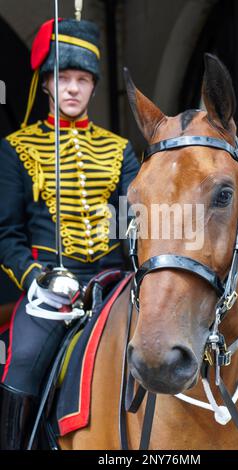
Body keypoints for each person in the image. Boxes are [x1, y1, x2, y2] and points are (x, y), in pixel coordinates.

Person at [0, 16, 139, 449]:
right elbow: (6, 235)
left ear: (95, 86)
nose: (73, 89)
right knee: (21, 362)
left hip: (114, 284)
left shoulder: (120, 151)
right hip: (48, 289)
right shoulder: (17, 148)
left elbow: (131, 223)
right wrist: (35, 279)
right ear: (46, 84)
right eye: (64, 78)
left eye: (83, 79)